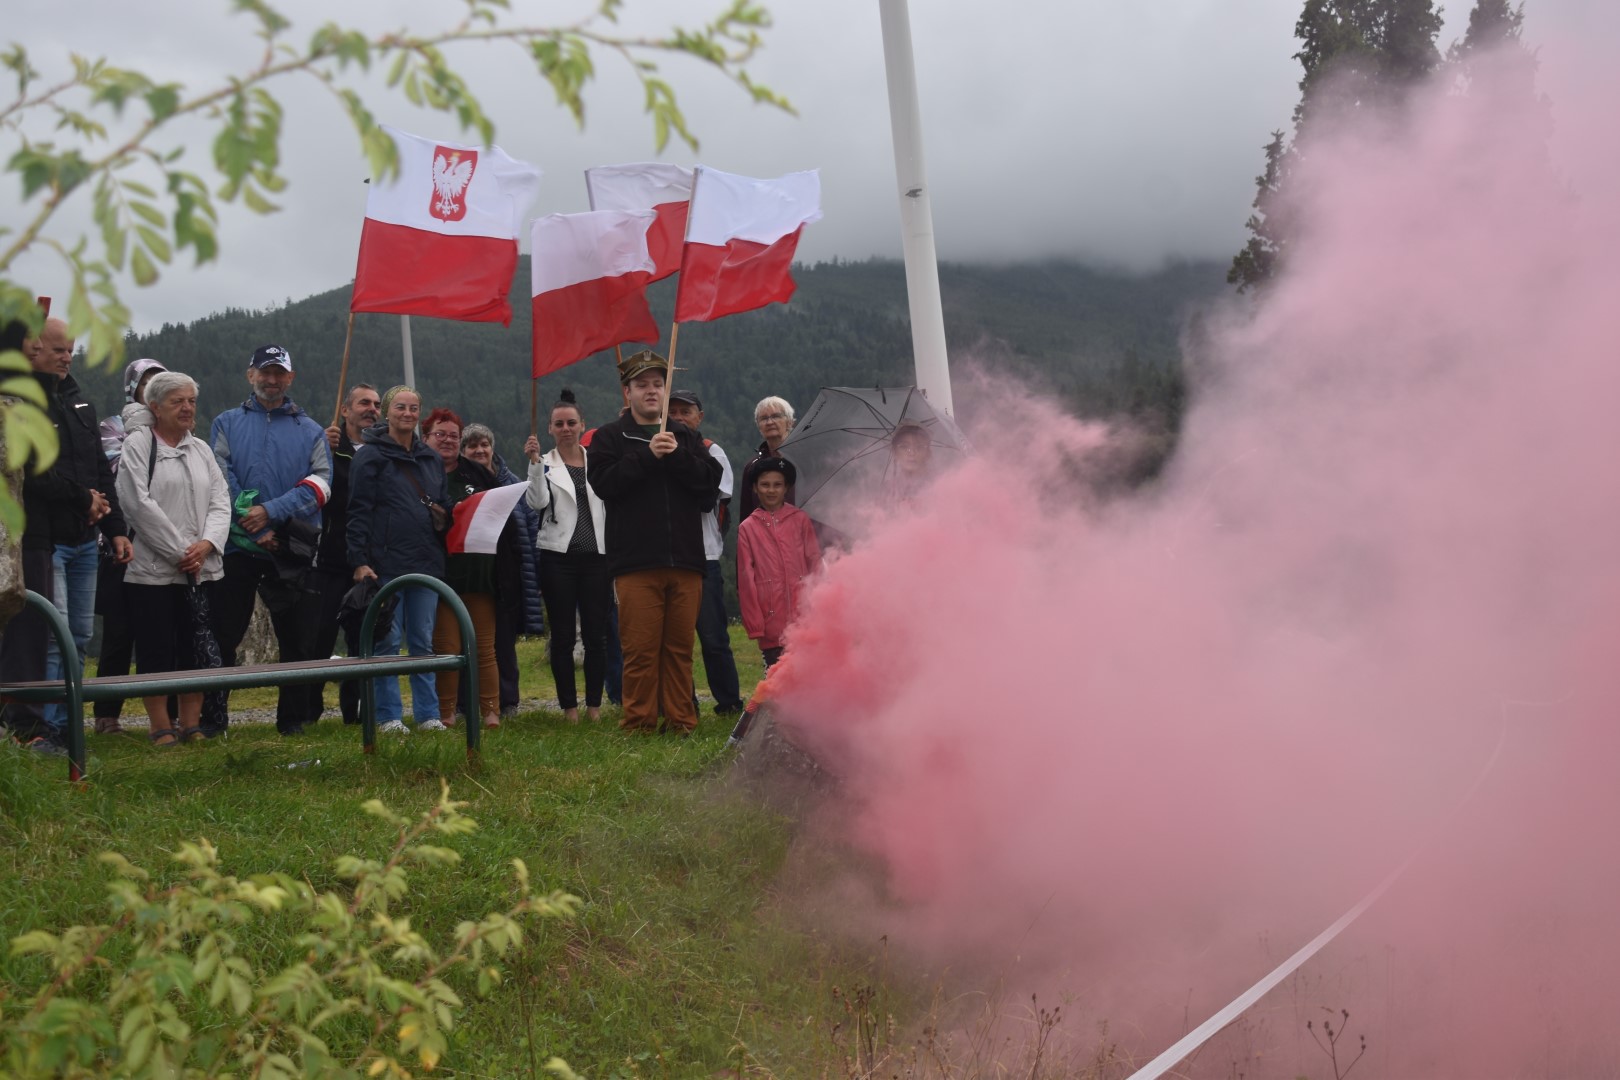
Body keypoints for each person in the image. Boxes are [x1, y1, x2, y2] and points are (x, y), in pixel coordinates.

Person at [586, 351, 722, 735]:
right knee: (640, 650)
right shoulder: (609, 437)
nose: (651, 391)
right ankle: (639, 723)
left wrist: (677, 456)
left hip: (686, 560)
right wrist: (647, 456)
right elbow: (604, 484)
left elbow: (708, 487)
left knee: (680, 649)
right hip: (635, 562)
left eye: (658, 385)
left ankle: (681, 721)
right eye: (642, 385)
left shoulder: (686, 437)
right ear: (627, 392)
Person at [208, 344, 331, 736]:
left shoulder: (312, 431)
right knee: (222, 635)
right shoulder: (225, 423)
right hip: (236, 548)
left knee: (296, 640)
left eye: (279, 373)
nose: (272, 379)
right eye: (265, 372)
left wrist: (271, 512)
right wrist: (252, 524)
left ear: (290, 378)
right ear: (251, 375)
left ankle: (292, 722)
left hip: (288, 548)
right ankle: (212, 721)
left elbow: (322, 484)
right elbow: (219, 476)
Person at [114, 372, 232, 745]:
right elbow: (136, 503)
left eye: (191, 401)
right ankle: (160, 726)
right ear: (155, 406)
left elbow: (221, 500)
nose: (186, 408)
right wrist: (181, 551)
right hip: (152, 570)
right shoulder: (138, 444)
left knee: (193, 646)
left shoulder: (201, 449)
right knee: (156, 648)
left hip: (200, 568)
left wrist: (207, 544)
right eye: (177, 401)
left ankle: (191, 724)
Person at [33, 318, 133, 746]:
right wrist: (83, 500)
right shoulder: (21, 403)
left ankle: (67, 724)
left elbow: (99, 470)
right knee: (52, 638)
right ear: (34, 349)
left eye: (71, 350)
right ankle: (46, 729)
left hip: (86, 541)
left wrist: (116, 528)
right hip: (47, 540)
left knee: (79, 636)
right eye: (58, 350)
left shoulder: (80, 405)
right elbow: (34, 472)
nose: (67, 358)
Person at [346, 385, 450, 734]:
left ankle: (428, 714)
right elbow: (358, 511)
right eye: (401, 407)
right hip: (384, 564)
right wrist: (359, 560)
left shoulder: (431, 458)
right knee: (386, 642)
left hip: (426, 562)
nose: (407, 414)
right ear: (387, 412)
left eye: (413, 408)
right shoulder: (369, 456)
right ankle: (387, 716)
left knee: (422, 642)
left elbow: (442, 504)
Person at [0, 318, 74, 754]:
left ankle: (25, 726)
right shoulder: (15, 400)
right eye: (29, 340)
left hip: (30, 531)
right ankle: (25, 727)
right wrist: (82, 497)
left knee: (29, 631)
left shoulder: (35, 395)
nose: (38, 347)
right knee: (25, 632)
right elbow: (33, 463)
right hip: (18, 532)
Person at [91, 357, 169, 734]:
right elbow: (119, 473)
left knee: (161, 635)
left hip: (164, 546)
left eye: (160, 383)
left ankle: (166, 716)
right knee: (119, 635)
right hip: (121, 545)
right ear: (132, 389)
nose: (153, 390)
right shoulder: (113, 426)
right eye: (146, 383)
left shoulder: (173, 428)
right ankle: (107, 715)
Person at [524, 389, 611, 724]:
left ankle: (594, 707)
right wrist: (534, 465)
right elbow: (536, 502)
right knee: (562, 637)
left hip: (597, 558)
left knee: (596, 637)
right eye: (559, 424)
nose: (565, 429)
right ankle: (569, 709)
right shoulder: (544, 463)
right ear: (549, 428)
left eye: (571, 423)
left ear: (582, 425)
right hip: (558, 558)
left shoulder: (597, 462)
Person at [664, 389, 744, 716]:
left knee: (713, 637)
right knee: (674, 640)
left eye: (686, 412)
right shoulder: (655, 448)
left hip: (705, 556)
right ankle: (684, 704)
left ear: (700, 417)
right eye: (673, 412)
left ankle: (729, 702)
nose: (679, 418)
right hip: (668, 556)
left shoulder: (713, 451)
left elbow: (708, 498)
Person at [424, 408, 505, 729]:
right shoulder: (421, 473)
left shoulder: (478, 474)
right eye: (440, 434)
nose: (447, 440)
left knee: (485, 649)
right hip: (442, 575)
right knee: (447, 649)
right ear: (425, 438)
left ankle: (491, 712)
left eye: (453, 436)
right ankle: (446, 713)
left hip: (481, 573)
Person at [460, 422, 544, 718]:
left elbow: (532, 527)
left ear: (492, 448)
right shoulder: (458, 482)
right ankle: (465, 703)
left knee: (504, 643)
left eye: (484, 445)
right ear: (463, 451)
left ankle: (507, 702)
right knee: (468, 640)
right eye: (472, 446)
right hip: (470, 575)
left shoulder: (513, 483)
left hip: (509, 575)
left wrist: (536, 573)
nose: (479, 450)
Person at [314, 383, 382, 725]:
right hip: (329, 557)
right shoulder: (326, 446)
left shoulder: (382, 451)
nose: (372, 410)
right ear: (345, 410)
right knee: (319, 637)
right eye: (364, 403)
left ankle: (355, 713)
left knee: (362, 639)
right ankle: (307, 712)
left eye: (377, 405)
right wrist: (321, 451)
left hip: (370, 559)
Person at [737, 457, 821, 668]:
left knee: (807, 675)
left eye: (777, 485)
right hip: (771, 622)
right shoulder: (747, 528)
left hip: (804, 618)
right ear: (755, 488)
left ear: (786, 488)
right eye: (765, 485)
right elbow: (746, 578)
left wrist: (819, 607)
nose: (771, 490)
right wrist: (755, 624)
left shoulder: (800, 519)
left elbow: (815, 564)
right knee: (777, 679)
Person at [737, 395, 797, 524]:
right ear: (759, 426)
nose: (769, 422)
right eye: (764, 418)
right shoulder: (753, 467)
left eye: (776, 416)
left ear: (790, 422)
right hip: (764, 534)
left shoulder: (805, 460)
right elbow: (746, 515)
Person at [885, 422, 934, 504]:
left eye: (919, 447)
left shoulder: (938, 484)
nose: (912, 453)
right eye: (904, 446)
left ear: (928, 453)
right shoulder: (888, 489)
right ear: (894, 452)